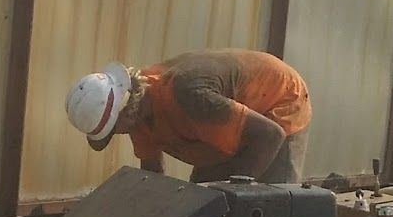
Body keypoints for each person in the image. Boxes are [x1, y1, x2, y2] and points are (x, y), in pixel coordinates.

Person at [65, 49, 312, 183]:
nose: (117, 135)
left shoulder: (188, 97)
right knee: (203, 201)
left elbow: (270, 135)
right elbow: (152, 177)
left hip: (278, 101)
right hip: (228, 119)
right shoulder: (137, 111)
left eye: (113, 130)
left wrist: (240, 190)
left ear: (125, 113)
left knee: (270, 209)